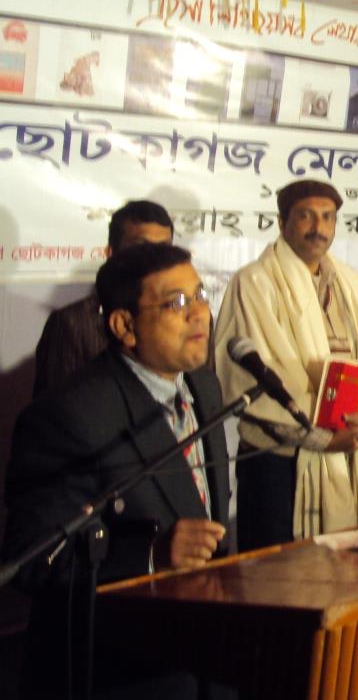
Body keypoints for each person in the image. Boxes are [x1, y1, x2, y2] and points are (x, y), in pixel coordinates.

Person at [4, 244, 229, 698]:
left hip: (203, 655)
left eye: (200, 295)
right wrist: (150, 555)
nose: (199, 314)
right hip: (122, 671)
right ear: (124, 326)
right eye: (176, 303)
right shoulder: (69, 415)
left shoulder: (203, 384)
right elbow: (32, 560)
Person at [215, 179, 358, 549]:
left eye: (328, 218)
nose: (319, 228)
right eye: (306, 216)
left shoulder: (350, 282)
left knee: (344, 570)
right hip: (281, 465)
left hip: (348, 450)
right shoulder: (255, 282)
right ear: (282, 223)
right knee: (278, 574)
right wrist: (324, 439)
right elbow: (253, 381)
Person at [33, 199, 174, 397]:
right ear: (111, 254)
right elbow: (54, 410)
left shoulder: (191, 317)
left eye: (164, 250)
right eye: (141, 249)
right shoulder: (74, 323)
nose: (155, 260)